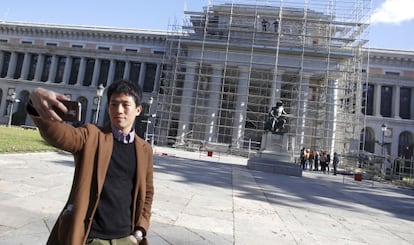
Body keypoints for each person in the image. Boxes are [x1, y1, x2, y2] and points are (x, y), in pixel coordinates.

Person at [26, 79, 154, 245]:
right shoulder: (92, 136)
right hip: (91, 237)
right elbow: (60, 135)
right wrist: (35, 102)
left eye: (125, 105)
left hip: (126, 239)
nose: (118, 110)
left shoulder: (144, 149)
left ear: (138, 110)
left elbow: (148, 192)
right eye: (113, 104)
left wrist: (139, 231)